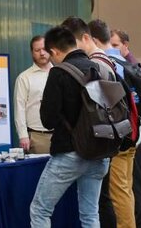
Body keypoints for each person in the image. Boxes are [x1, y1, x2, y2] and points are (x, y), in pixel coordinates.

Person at [30, 26, 110, 228]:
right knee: (90, 215)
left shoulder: (58, 73)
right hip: (101, 150)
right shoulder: (99, 68)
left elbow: (48, 120)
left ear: (55, 51)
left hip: (69, 153)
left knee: (40, 210)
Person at [89, 18, 141, 228]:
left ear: (93, 39)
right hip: (133, 132)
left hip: (118, 137)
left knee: (118, 193)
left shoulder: (105, 65)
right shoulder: (126, 64)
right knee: (127, 188)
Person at [14, 35, 53, 154]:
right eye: (37, 50)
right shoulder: (24, 77)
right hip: (37, 137)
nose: (42, 53)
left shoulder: (59, 73)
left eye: (45, 49)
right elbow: (19, 108)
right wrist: (23, 136)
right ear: (32, 53)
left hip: (60, 136)